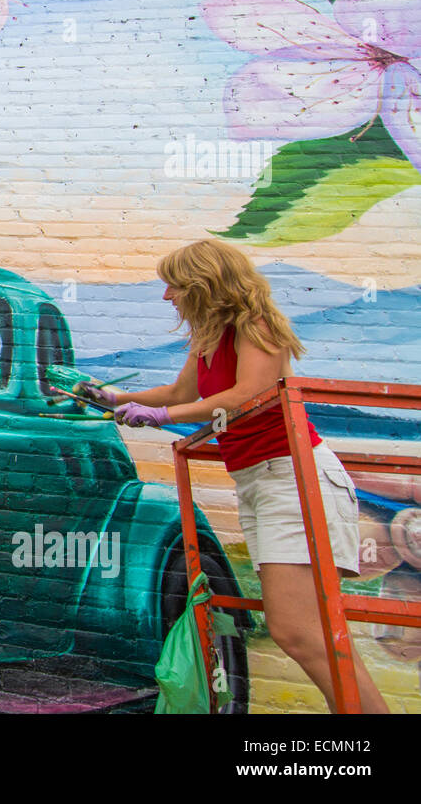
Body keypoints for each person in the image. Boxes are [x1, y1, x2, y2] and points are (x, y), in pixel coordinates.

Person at [75, 238, 388, 714]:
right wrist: (117, 398)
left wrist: (164, 417)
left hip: (294, 478)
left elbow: (245, 396)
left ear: (204, 283)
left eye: (174, 286)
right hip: (259, 482)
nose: (168, 297)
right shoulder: (209, 337)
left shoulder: (256, 325)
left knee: (299, 632)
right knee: (308, 634)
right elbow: (182, 389)